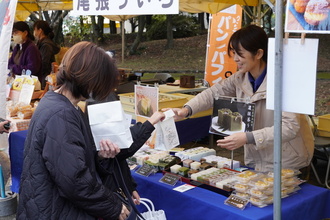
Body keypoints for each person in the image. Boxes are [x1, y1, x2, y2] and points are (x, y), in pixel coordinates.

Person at [167, 25, 314, 173]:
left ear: (258, 53)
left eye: (240, 54)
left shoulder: (284, 80)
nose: (235, 59)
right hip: (256, 157)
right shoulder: (240, 78)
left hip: (287, 160)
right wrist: (186, 110)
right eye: (234, 53)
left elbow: (289, 127)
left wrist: (248, 137)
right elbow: (212, 93)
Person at [17, 41, 133, 220]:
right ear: (89, 79)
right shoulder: (61, 114)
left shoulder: (62, 104)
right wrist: (112, 205)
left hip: (50, 205)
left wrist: (100, 156)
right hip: (54, 210)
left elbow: (70, 162)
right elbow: (74, 180)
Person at [33, 20, 60, 89]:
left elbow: (44, 63)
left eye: (35, 30)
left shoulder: (46, 45)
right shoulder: (42, 43)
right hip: (43, 77)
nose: (34, 32)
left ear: (40, 30)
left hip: (45, 78)